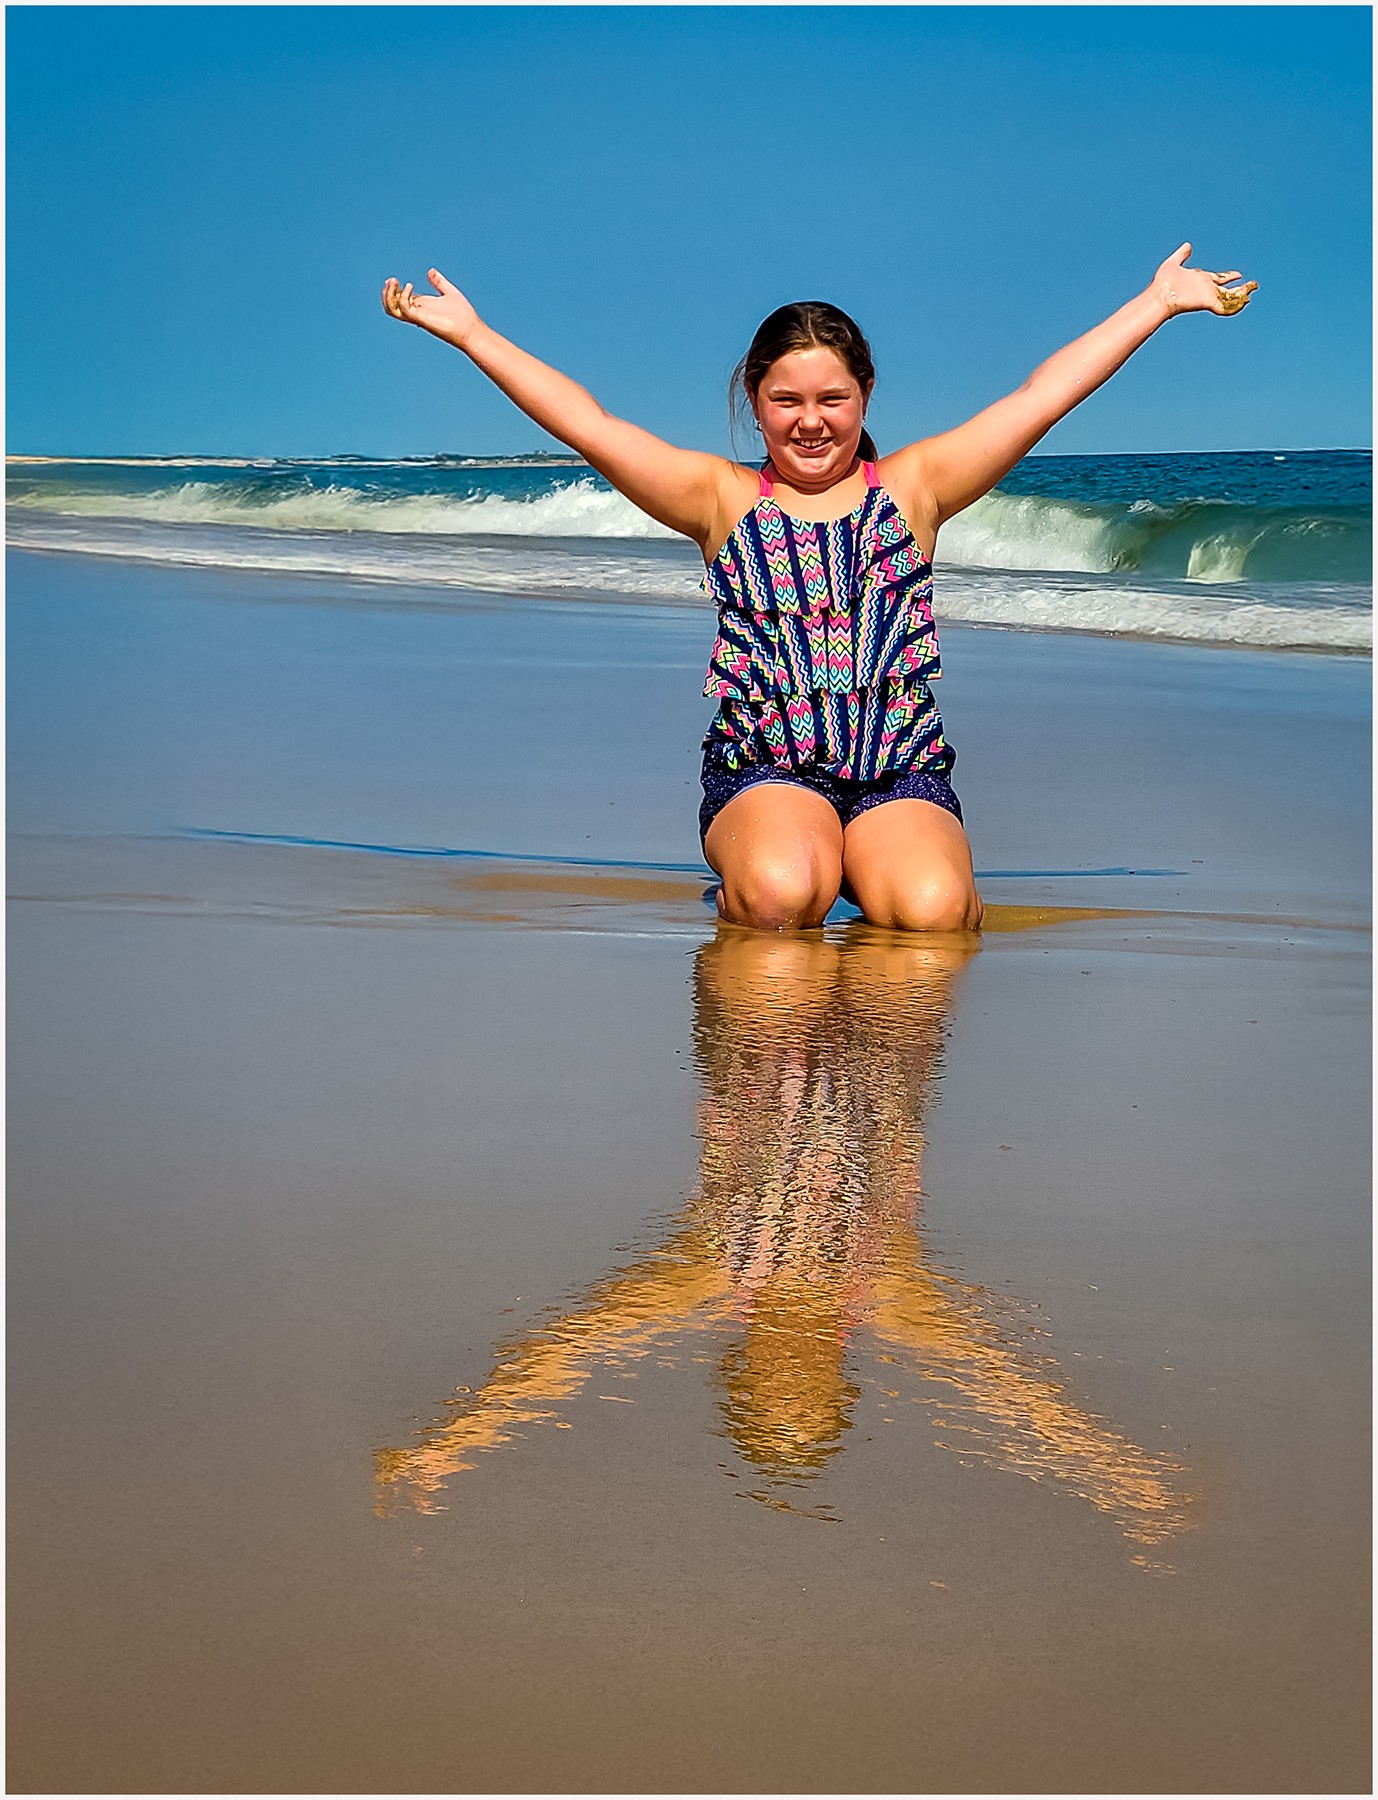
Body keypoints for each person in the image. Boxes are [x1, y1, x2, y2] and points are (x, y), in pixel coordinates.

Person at [382, 246, 1255, 933]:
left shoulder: (915, 489)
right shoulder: (719, 498)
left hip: (897, 772)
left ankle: (867, 888)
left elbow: (1041, 397)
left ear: (865, 394)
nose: (810, 421)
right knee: (780, 896)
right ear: (755, 400)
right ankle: (760, 886)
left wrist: (1157, 303)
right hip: (765, 771)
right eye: (786, 400)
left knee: (934, 915)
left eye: (832, 398)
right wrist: (473, 335)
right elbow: (590, 424)